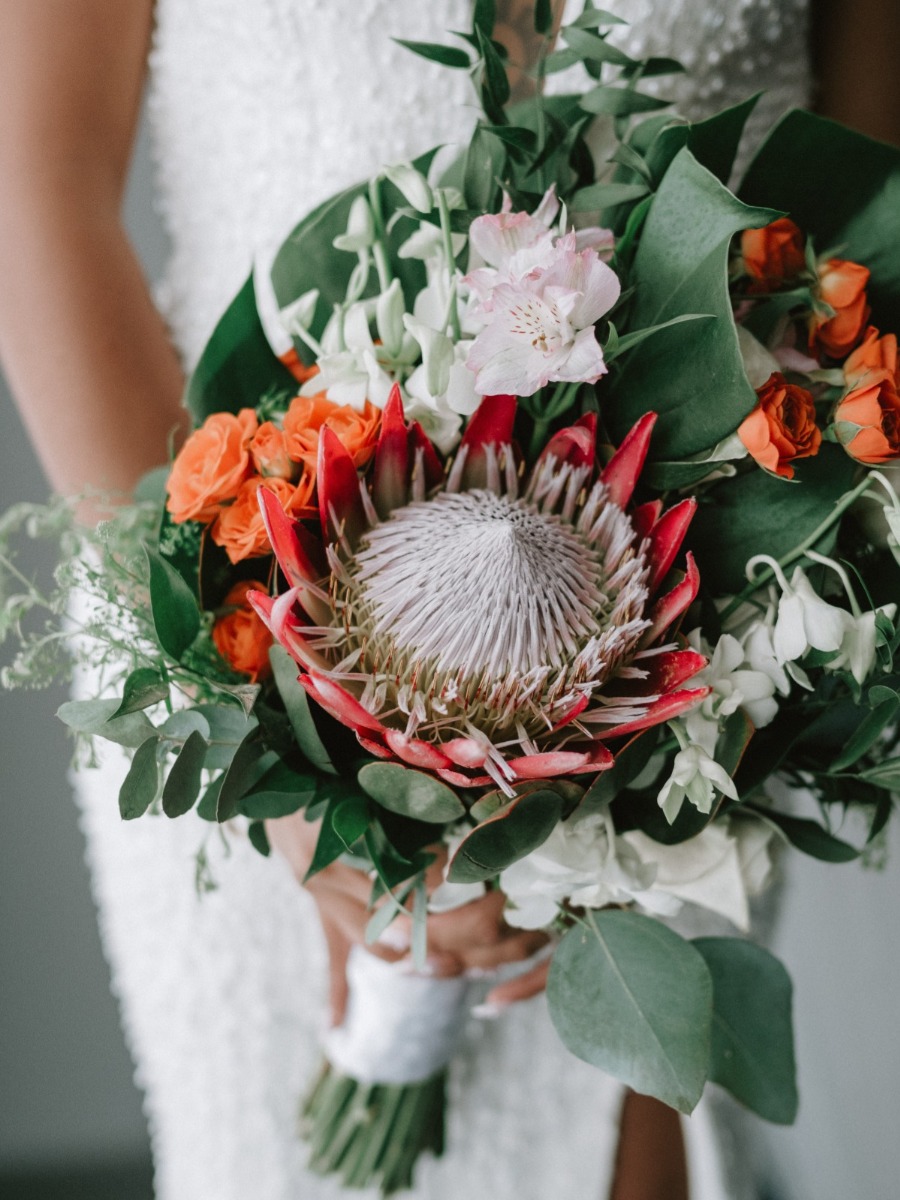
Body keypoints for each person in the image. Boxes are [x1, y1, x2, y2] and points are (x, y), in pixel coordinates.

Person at [0, 3, 897, 1198]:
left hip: (685, 659)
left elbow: (863, 229)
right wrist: (264, 755)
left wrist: (725, 667)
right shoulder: (237, 709)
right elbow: (34, 190)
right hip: (238, 635)